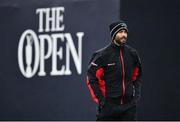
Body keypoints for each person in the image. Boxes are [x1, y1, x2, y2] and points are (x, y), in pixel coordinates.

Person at [86, 20, 142, 121]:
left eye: (125, 32)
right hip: (109, 108)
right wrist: (102, 101)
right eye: (120, 32)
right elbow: (91, 78)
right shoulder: (102, 56)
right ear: (113, 34)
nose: (124, 35)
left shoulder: (132, 54)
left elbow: (137, 76)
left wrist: (136, 96)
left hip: (128, 107)